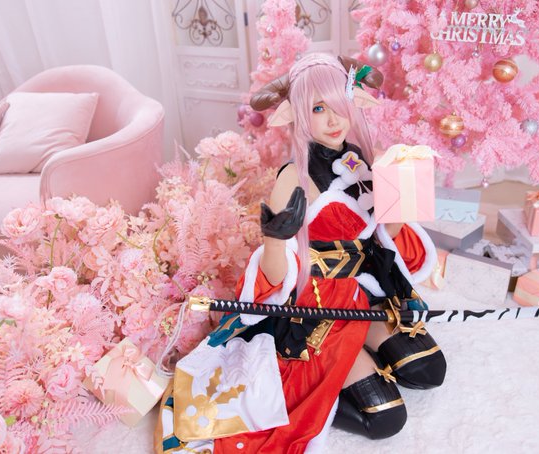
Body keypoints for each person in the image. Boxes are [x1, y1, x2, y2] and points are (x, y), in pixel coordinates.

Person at [156, 53, 446, 454]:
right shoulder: (294, 177)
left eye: (338, 105)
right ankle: (330, 386)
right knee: (385, 417)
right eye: (318, 109)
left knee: (429, 370)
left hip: (366, 294)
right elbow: (276, 278)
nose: (333, 120)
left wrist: (403, 198)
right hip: (318, 307)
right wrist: (275, 239)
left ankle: (361, 354)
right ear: (295, 115)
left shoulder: (362, 160)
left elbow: (383, 238)